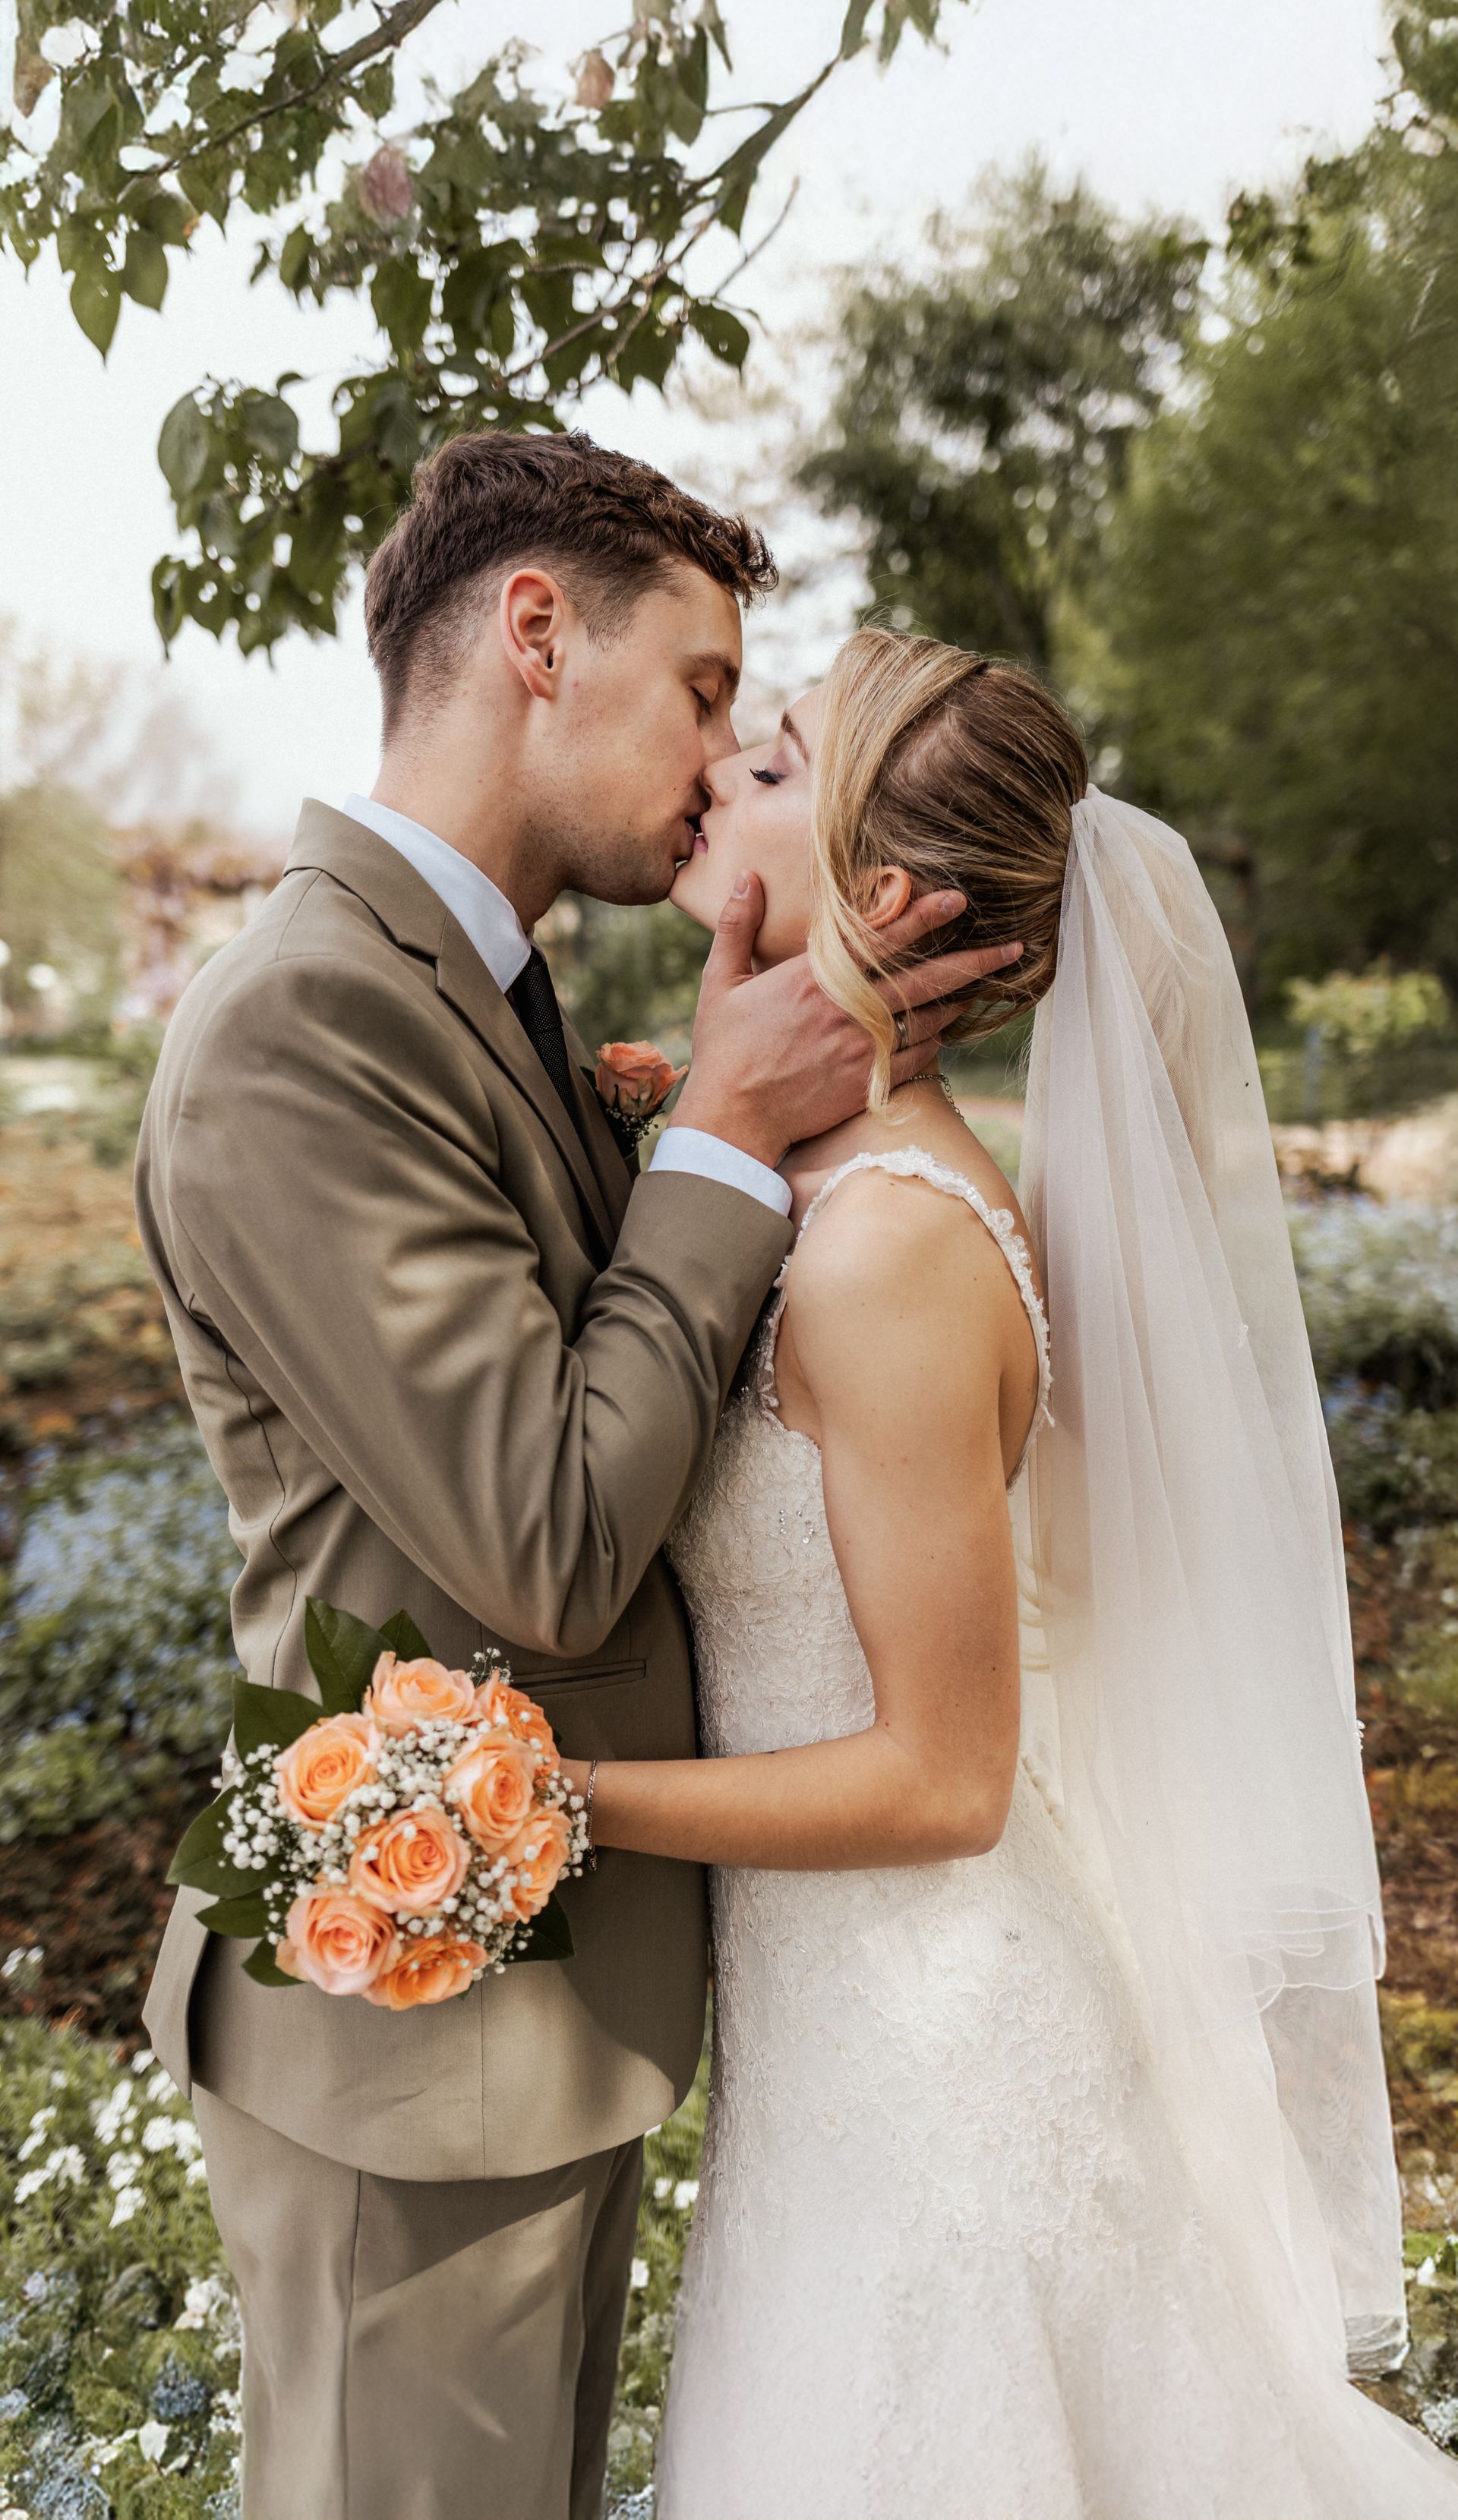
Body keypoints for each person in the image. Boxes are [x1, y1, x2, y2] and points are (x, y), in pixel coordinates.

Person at [134, 434, 1017, 2520]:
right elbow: (545, 1533)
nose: (723, 764)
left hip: (523, 2012)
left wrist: (720, 1130)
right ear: (538, 630)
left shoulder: (484, 989)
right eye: (708, 690)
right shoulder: (306, 1017)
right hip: (408, 2040)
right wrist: (710, 1137)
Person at [557, 629, 1458, 2518]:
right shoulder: (803, 1187)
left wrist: (554, 1806)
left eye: (778, 760)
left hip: (941, 2073)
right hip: (844, 2051)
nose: (722, 773)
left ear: (880, 894)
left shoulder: (889, 1251)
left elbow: (946, 1776)